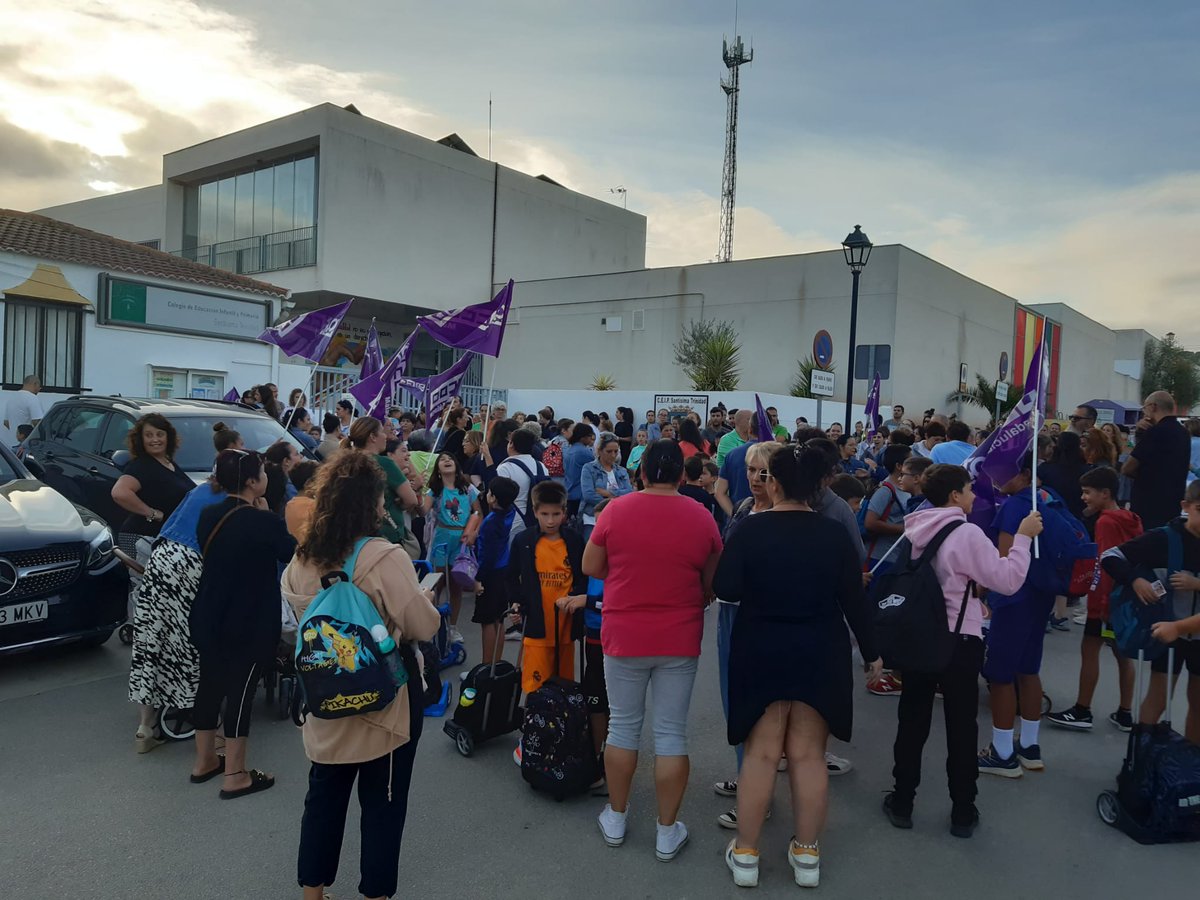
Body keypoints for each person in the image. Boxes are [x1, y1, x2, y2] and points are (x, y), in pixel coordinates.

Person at [713, 443, 881, 888]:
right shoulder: (833, 535)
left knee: (762, 754)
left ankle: (746, 854)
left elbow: (725, 587)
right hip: (819, 650)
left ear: (775, 481)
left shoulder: (751, 529)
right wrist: (873, 653)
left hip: (761, 647)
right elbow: (855, 601)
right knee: (808, 756)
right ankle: (807, 855)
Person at [282, 450, 441, 900]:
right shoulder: (382, 556)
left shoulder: (303, 558)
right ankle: (375, 893)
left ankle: (313, 891)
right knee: (384, 804)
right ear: (371, 502)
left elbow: (298, 613)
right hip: (384, 702)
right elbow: (421, 624)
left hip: (325, 696)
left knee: (324, 798)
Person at [883, 464, 1041, 839]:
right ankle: (963, 811)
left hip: (919, 636)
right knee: (961, 726)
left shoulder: (914, 528)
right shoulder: (966, 532)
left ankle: (903, 800)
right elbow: (1006, 580)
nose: (973, 496)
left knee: (912, 721)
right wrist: (1022, 539)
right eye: (969, 489)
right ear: (954, 495)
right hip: (959, 640)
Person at [586, 440, 723, 862]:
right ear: (682, 475)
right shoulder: (701, 516)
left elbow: (592, 566)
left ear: (641, 471)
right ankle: (666, 830)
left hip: (624, 632)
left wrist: (625, 573)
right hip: (678, 637)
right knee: (670, 733)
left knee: (622, 727)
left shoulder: (616, 510)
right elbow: (711, 582)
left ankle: (617, 815)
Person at [190, 450, 295, 798]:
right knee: (241, 692)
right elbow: (290, 552)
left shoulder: (208, 514)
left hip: (209, 612)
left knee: (210, 685)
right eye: (261, 471)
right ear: (252, 481)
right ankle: (235, 773)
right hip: (249, 620)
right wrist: (267, 517)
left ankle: (204, 760)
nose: (265, 475)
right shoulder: (263, 521)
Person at [126, 427, 234, 754]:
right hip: (189, 564)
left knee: (151, 640)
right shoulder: (234, 502)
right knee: (188, 642)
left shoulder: (200, 490)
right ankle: (209, 726)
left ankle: (146, 727)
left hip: (160, 557)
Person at [977, 452, 1065, 777]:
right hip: (1042, 595)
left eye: (1004, 472)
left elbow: (1003, 563)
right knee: (1029, 670)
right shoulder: (1048, 498)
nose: (997, 479)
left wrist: (982, 592)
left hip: (1013, 599)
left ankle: (1002, 753)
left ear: (1024, 473)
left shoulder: (1013, 507)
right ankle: (1030, 747)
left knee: (1000, 675)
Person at [712, 440, 781, 830]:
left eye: (764, 472)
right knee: (732, 701)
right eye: (752, 471)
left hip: (758, 618)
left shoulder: (785, 516)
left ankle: (759, 795)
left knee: (757, 707)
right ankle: (748, 776)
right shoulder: (742, 507)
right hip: (728, 613)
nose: (756, 479)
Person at [1101, 479, 1200, 745]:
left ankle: (1189, 768)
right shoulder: (1165, 538)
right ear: (1186, 507)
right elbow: (1110, 556)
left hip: (1195, 630)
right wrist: (1135, 579)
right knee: (1158, 696)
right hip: (1168, 631)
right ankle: (1141, 760)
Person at [1046, 467, 1141, 732]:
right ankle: (1125, 712)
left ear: (1105, 493)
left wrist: (1096, 603)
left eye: (1088, 493)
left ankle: (1082, 709)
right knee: (1124, 656)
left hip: (1104, 601)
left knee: (1089, 651)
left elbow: (1104, 563)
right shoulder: (1131, 518)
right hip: (1124, 600)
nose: (1084, 497)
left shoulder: (1105, 522)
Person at [508, 479, 587, 719]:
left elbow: (584, 576)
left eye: (556, 514)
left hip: (565, 625)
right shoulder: (523, 541)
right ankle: (533, 728)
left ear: (564, 512)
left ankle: (563, 730)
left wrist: (576, 598)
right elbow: (511, 576)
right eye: (544, 514)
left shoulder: (573, 540)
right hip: (536, 625)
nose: (550, 520)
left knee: (564, 682)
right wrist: (516, 602)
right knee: (535, 682)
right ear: (535, 512)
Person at [110, 413, 196, 563]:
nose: (155, 439)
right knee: (145, 585)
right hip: (141, 538)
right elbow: (119, 493)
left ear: (168, 437)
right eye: (148, 435)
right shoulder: (141, 466)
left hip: (164, 539)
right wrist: (152, 513)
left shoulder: (168, 463)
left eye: (160, 434)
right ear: (141, 440)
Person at [425, 452, 482, 633]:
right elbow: (421, 510)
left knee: (456, 584)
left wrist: (473, 533)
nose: (447, 461)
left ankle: (452, 627)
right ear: (438, 468)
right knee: (437, 583)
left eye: (450, 458)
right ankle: (432, 625)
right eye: (442, 459)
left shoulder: (468, 488)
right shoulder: (434, 491)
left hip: (462, 542)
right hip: (442, 540)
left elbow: (478, 513)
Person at [1123, 391, 1191, 528]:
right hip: (1173, 503)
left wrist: (1144, 476)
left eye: (1145, 408)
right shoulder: (1183, 433)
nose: (1144, 413)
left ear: (1153, 407)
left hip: (1148, 505)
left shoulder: (1155, 432)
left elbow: (1127, 468)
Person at [473, 476, 519, 665]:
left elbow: (486, 555)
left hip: (490, 574)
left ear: (493, 498)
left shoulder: (491, 522)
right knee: (499, 620)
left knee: (488, 621)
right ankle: (496, 664)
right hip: (504, 570)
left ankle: (486, 666)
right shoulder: (510, 512)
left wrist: (477, 579)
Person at [864, 445, 912, 573]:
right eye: (910, 461)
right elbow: (870, 522)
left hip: (896, 555)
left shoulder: (905, 489)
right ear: (899, 466)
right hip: (881, 557)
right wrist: (902, 529)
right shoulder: (885, 490)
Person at [496, 428, 549, 543]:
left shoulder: (505, 467)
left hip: (512, 521)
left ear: (511, 445)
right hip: (538, 520)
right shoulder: (541, 466)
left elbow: (500, 497)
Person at [580, 432, 634, 538]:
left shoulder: (622, 470)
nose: (613, 455)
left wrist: (608, 493)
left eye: (616, 451)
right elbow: (588, 495)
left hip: (617, 517)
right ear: (599, 451)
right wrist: (617, 498)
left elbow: (629, 492)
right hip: (592, 518)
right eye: (609, 451)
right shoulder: (589, 468)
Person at [376, 438, 419, 546]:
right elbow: (412, 501)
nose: (408, 454)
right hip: (389, 536)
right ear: (390, 455)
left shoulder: (404, 476)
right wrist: (402, 504)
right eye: (403, 450)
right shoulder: (386, 466)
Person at [564, 424, 596, 518]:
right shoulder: (584, 452)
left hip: (569, 490)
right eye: (590, 436)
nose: (591, 439)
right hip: (580, 493)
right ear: (583, 437)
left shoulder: (569, 450)